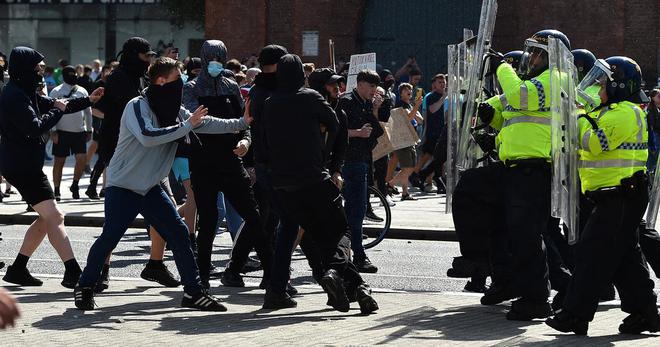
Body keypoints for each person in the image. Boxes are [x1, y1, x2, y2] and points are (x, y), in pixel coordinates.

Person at [74, 57, 250, 311]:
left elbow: (204, 123)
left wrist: (241, 123)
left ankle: (193, 292)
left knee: (179, 235)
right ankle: (85, 286)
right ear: (160, 81)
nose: (183, 84)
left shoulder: (174, 109)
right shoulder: (137, 105)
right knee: (110, 237)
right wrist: (187, 126)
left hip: (152, 187)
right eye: (178, 79)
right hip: (124, 186)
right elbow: (148, 137)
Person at [547, 56, 660, 335]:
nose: (598, 90)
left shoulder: (625, 112)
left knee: (591, 255)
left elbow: (595, 144)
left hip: (621, 195)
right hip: (614, 196)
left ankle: (574, 315)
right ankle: (646, 313)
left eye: (602, 85)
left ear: (619, 86)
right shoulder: (609, 111)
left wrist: (579, 118)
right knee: (624, 258)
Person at [262, 54, 378, 314]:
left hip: (282, 182)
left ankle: (281, 291)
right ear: (302, 77)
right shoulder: (310, 98)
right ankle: (344, 279)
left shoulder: (270, 103)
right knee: (340, 231)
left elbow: (264, 141)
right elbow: (335, 124)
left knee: (303, 237)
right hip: (314, 178)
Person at [477, 30, 571, 320]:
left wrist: (501, 66)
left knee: (527, 235)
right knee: (507, 225)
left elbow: (519, 98)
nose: (531, 58)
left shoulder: (556, 78)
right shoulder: (535, 81)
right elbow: (510, 112)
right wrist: (487, 114)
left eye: (537, 53)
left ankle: (536, 298)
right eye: (530, 52)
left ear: (551, 57)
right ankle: (498, 274)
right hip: (515, 168)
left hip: (534, 169)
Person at [0, 46, 103, 288]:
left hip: (25, 164)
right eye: (37, 68)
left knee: (47, 218)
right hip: (21, 166)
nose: (40, 72)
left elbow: (57, 104)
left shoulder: (24, 91)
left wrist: (88, 100)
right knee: (55, 216)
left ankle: (18, 269)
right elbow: (35, 126)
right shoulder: (14, 95)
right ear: (25, 69)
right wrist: (57, 111)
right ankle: (73, 272)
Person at [88, 37, 178, 292]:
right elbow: (99, 108)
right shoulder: (118, 78)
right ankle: (101, 272)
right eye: (144, 55)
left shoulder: (141, 78)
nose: (148, 60)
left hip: (146, 154)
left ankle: (156, 264)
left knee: (165, 210)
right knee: (114, 222)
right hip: (121, 152)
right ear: (133, 55)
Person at [182, 40, 273, 288]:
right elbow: (199, 122)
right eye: (211, 59)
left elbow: (247, 121)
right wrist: (240, 127)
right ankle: (201, 276)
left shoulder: (232, 85)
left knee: (253, 217)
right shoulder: (190, 88)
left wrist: (245, 141)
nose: (215, 64)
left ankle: (272, 275)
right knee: (209, 220)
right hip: (203, 161)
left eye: (219, 59)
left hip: (232, 160)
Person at [337, 70, 384, 273]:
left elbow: (377, 131)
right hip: (349, 161)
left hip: (363, 160)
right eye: (372, 87)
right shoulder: (346, 101)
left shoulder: (367, 102)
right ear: (361, 84)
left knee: (355, 211)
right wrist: (357, 133)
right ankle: (357, 255)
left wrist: (375, 110)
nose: (374, 91)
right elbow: (335, 131)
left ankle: (346, 255)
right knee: (355, 211)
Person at [49, 65, 93, 200]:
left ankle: (75, 184)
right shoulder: (56, 91)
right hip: (61, 132)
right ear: (64, 76)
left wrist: (89, 129)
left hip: (79, 131)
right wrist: (53, 130)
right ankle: (56, 189)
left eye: (74, 73)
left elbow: (88, 111)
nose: (73, 76)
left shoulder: (82, 91)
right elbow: (51, 112)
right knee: (59, 162)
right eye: (70, 74)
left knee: (81, 159)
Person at [411, 73, 447, 192]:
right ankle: (415, 174)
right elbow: (432, 109)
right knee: (427, 155)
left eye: (444, 82)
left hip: (442, 131)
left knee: (439, 158)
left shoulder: (444, 96)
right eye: (439, 82)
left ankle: (434, 180)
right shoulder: (431, 96)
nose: (443, 84)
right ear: (434, 85)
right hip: (433, 132)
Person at [389, 83, 424, 201]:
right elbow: (407, 119)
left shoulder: (409, 105)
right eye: (406, 90)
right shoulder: (399, 105)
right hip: (402, 139)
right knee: (408, 167)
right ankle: (391, 184)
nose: (409, 91)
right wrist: (416, 108)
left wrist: (416, 107)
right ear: (401, 93)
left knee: (407, 167)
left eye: (410, 89)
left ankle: (405, 192)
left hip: (410, 139)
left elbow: (420, 120)